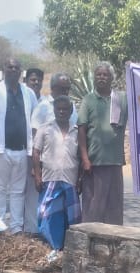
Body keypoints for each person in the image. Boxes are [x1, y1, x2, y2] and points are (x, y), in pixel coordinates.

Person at [0, 58, 38, 233]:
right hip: (1, 150)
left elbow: (34, 120)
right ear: (4, 69)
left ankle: (15, 228)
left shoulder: (28, 93)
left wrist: (33, 149)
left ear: (21, 72)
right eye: (9, 67)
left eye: (16, 68)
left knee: (17, 191)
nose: (13, 70)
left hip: (22, 150)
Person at [32, 96, 82, 262]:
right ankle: (51, 248)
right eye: (59, 109)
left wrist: (80, 179)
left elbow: (81, 156)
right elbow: (36, 153)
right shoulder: (45, 129)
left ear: (71, 111)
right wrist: (38, 176)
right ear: (54, 110)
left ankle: (67, 251)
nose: (62, 112)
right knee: (48, 214)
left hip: (70, 179)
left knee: (71, 217)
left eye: (65, 109)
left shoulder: (77, 131)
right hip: (50, 179)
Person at [78, 61, 128, 225]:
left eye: (105, 74)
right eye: (98, 74)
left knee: (114, 206)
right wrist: (85, 158)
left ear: (111, 78)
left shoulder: (121, 99)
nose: (101, 77)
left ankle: (113, 242)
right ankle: (90, 239)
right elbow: (81, 130)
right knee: (94, 205)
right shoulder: (88, 100)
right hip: (94, 162)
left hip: (115, 161)